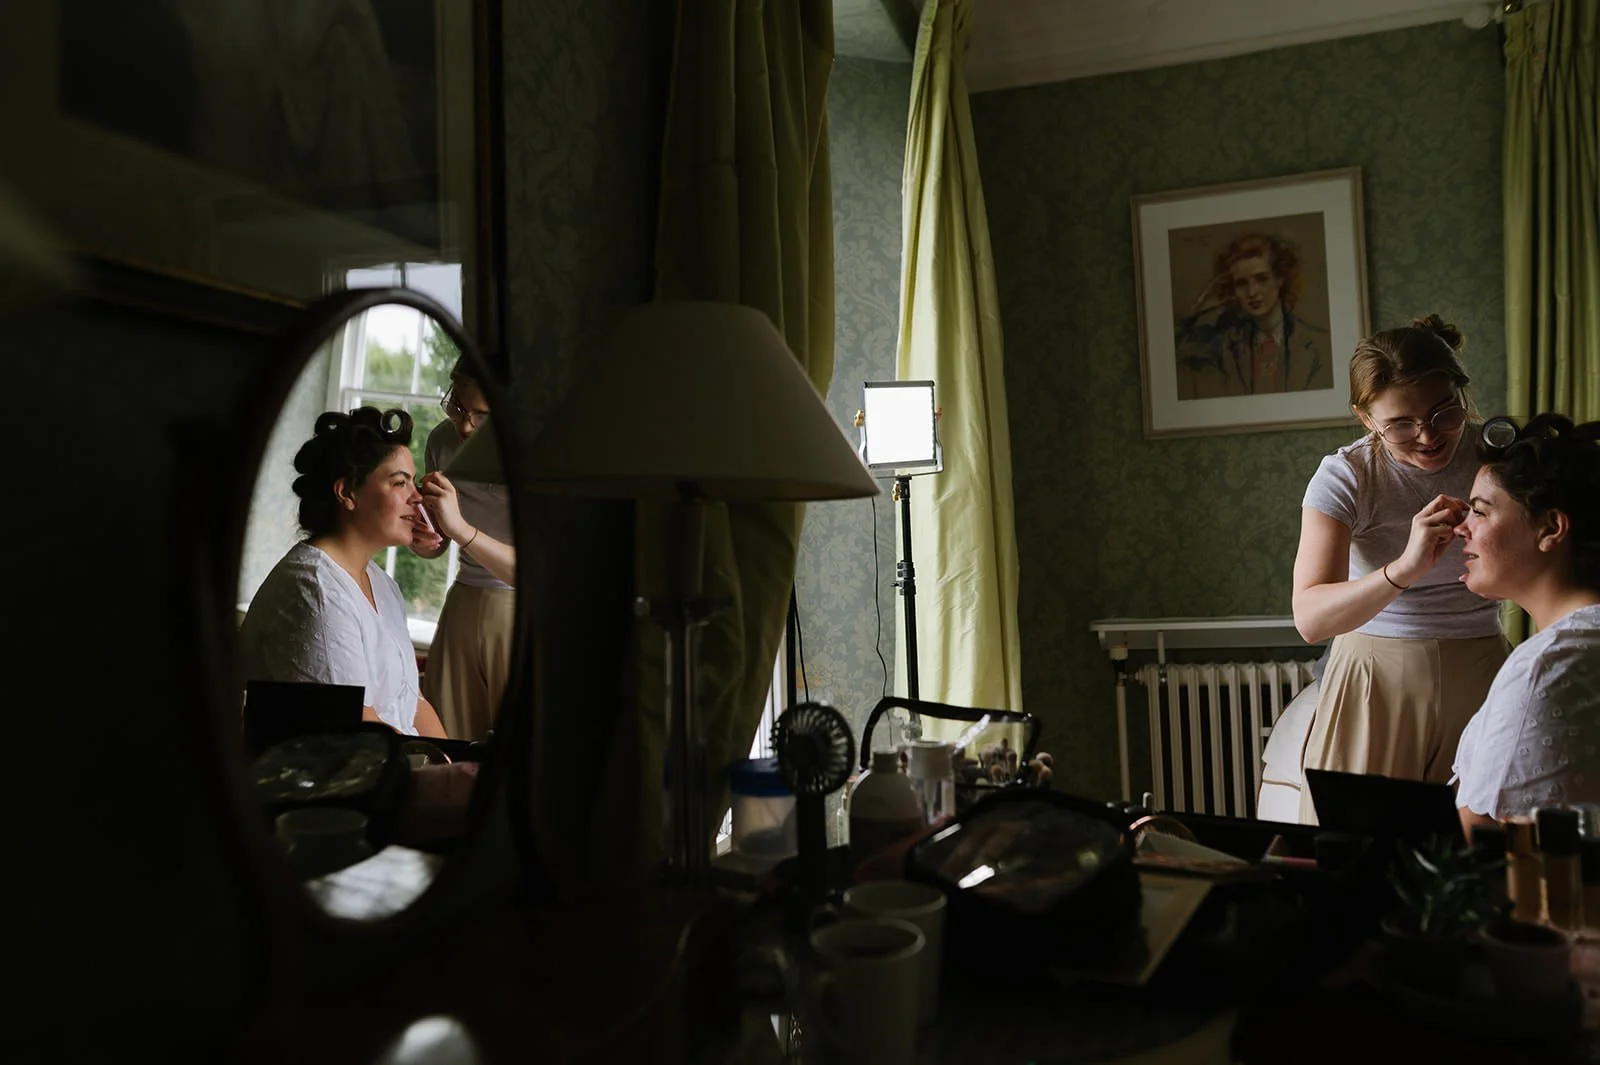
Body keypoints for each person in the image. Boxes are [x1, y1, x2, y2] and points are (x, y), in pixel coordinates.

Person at [1292, 315, 1507, 823]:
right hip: (1374, 677)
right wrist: (1404, 568)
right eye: (1400, 424)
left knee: (1484, 863)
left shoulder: (1496, 455)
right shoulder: (1347, 475)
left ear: (1460, 394)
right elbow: (1310, 619)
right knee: (1359, 850)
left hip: (1481, 665)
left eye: (1443, 413)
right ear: (1366, 418)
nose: (1427, 436)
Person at [239, 406, 447, 738]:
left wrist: (451, 764)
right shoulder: (315, 591)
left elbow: (414, 702)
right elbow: (357, 732)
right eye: (399, 483)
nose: (417, 497)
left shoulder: (382, 585)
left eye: (413, 481)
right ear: (347, 492)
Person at [1452, 414, 1600, 830]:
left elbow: (1481, 833)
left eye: (1479, 513)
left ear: (1550, 528)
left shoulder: (1548, 663)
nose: (1460, 528)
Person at [411, 359, 516, 740]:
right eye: (457, 407)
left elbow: (536, 571)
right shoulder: (441, 440)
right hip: (462, 604)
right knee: (447, 743)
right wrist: (423, 539)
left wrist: (461, 530)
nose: (465, 426)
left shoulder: (534, 452)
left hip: (519, 610)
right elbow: (436, 545)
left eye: (481, 416)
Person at [1175, 232, 1331, 399]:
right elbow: (1170, 349)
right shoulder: (1224, 344)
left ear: (1280, 279)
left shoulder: (1318, 343)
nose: (1252, 292)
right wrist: (1200, 306)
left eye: (1262, 279)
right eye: (1241, 283)